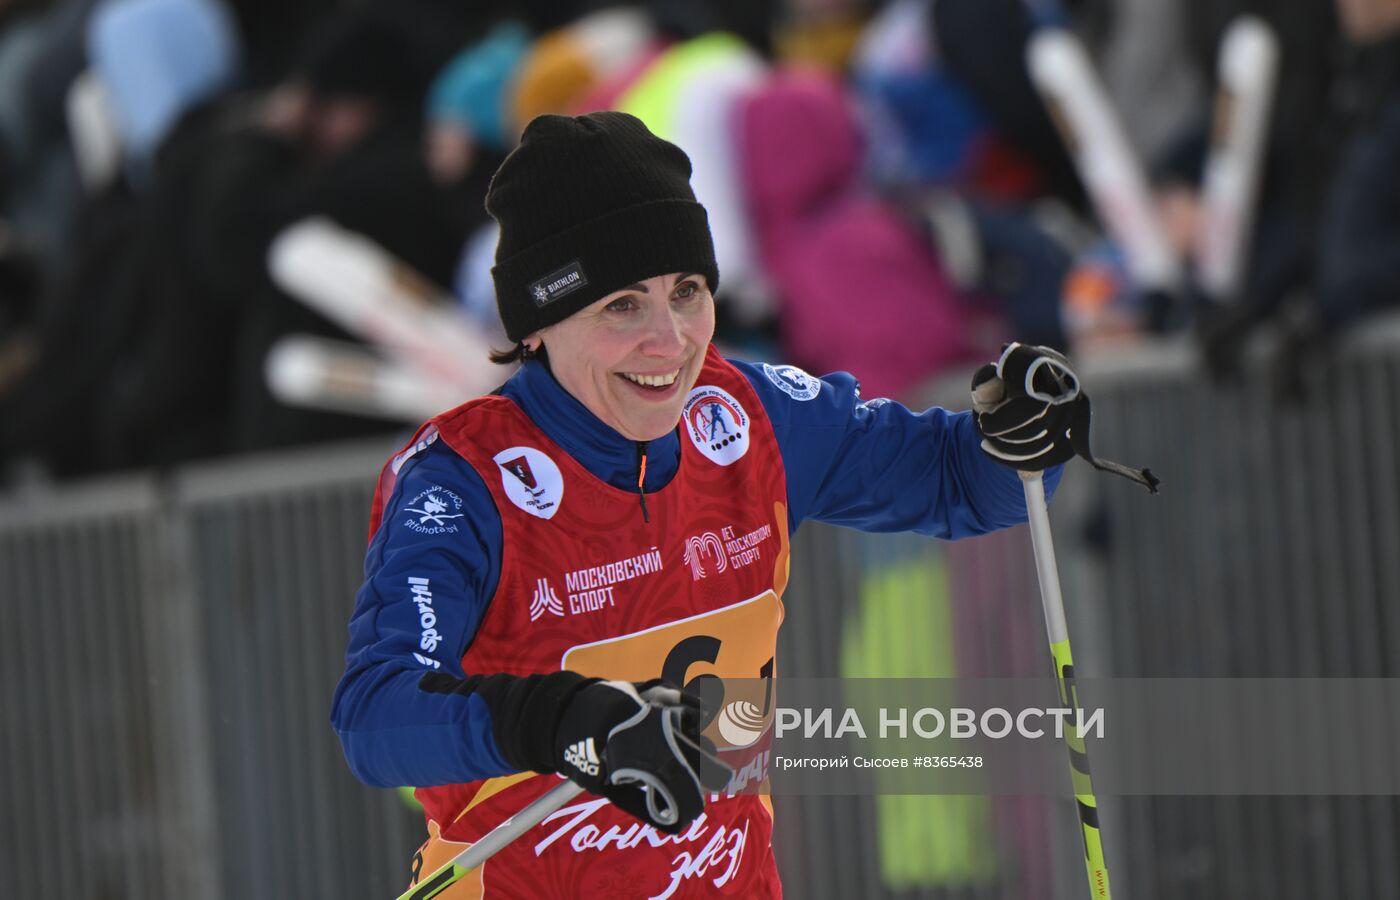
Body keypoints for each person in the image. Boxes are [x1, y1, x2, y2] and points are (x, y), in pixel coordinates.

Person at [330, 111, 1128, 899]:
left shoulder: (750, 417)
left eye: (688, 291)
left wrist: (1020, 440)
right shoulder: (464, 480)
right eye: (621, 306)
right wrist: (562, 719)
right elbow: (375, 713)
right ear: (537, 323)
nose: (672, 341)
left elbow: (956, 481)